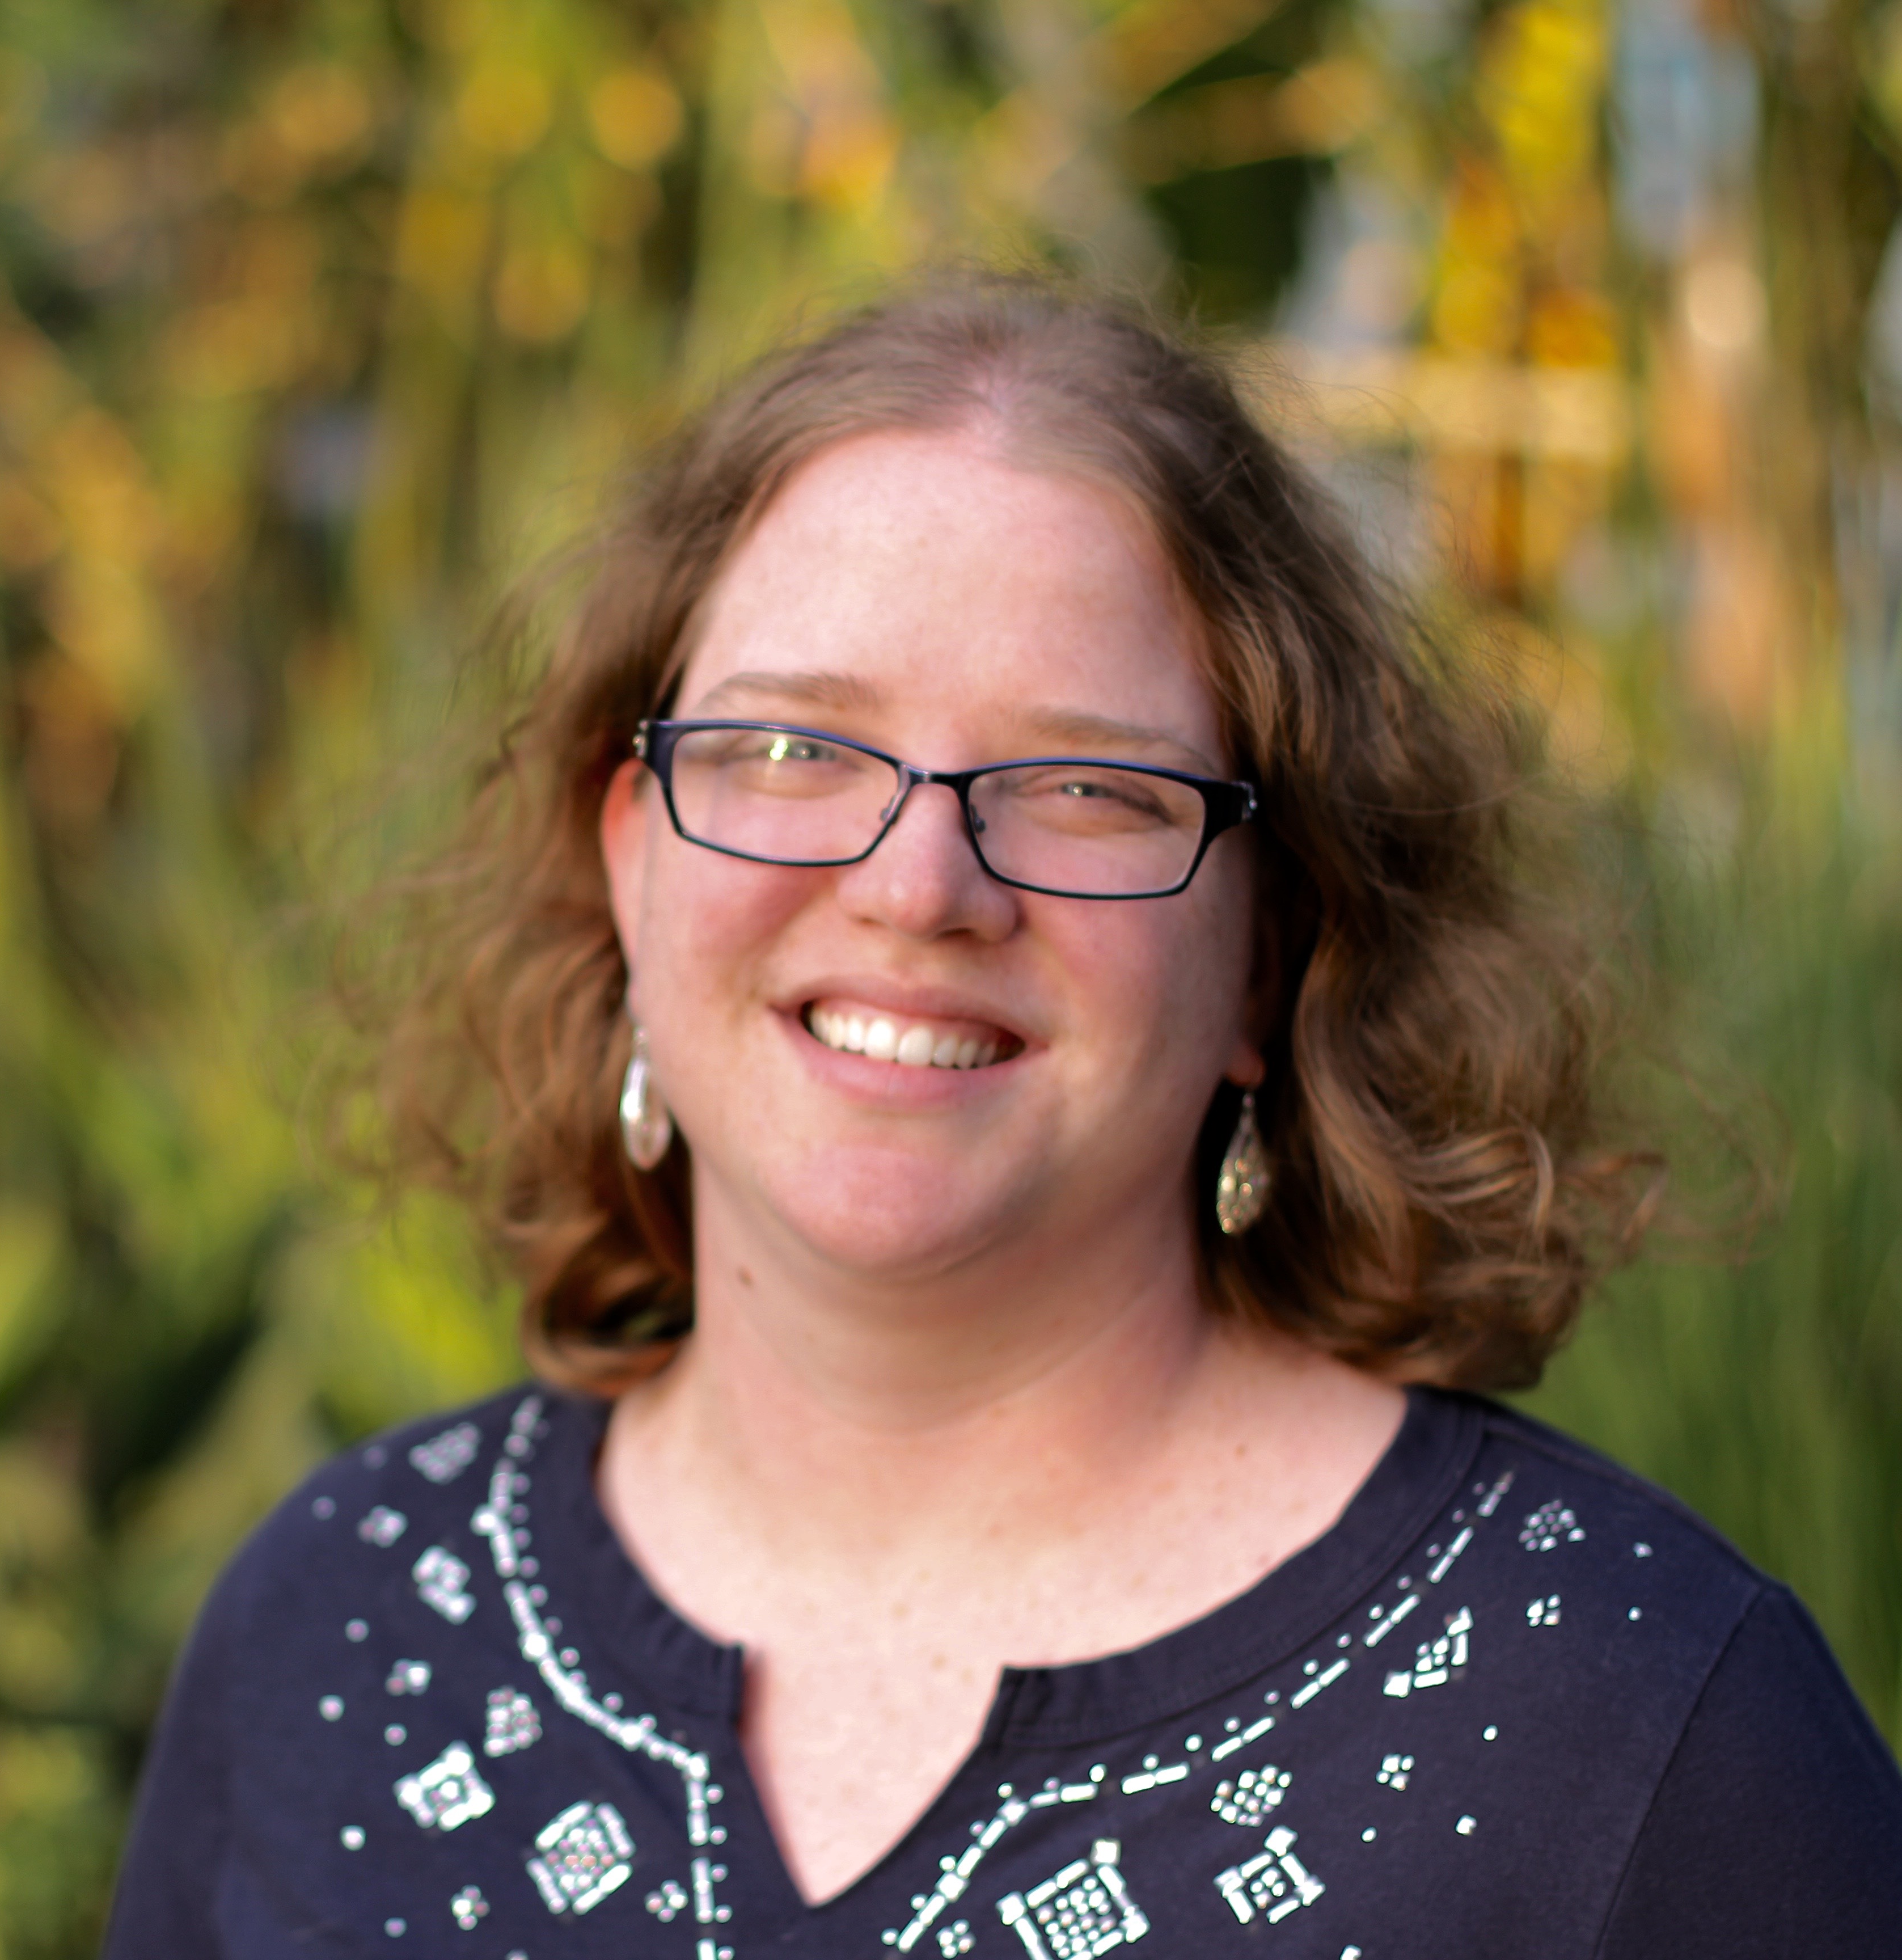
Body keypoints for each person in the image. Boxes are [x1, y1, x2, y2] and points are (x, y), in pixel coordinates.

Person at [100, 277, 1902, 1957]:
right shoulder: (343, 1636)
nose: (920, 886)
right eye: (796, 748)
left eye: (1083, 787)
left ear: (1271, 948)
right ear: (626, 844)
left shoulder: (1641, 1738)